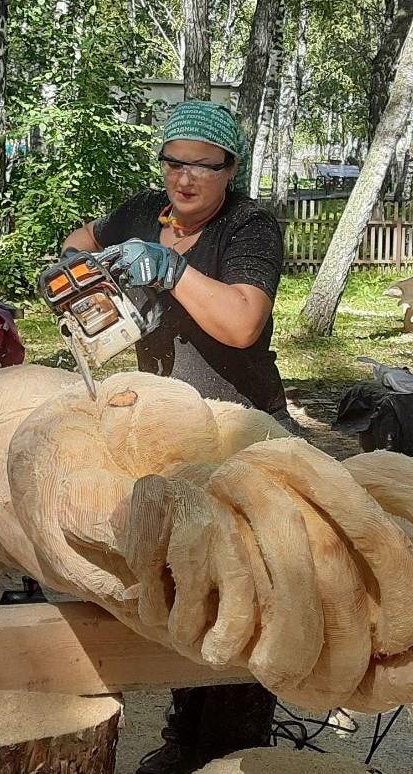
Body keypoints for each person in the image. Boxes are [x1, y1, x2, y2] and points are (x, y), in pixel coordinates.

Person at [61, 99, 293, 774]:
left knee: (244, 586)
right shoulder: (143, 213)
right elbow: (80, 239)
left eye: (203, 166)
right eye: (174, 162)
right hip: (163, 428)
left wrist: (173, 271)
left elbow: (243, 323)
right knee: (180, 581)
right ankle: (185, 734)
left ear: (231, 169)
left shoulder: (249, 226)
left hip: (241, 429)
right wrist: (77, 272)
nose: (185, 178)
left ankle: (233, 745)